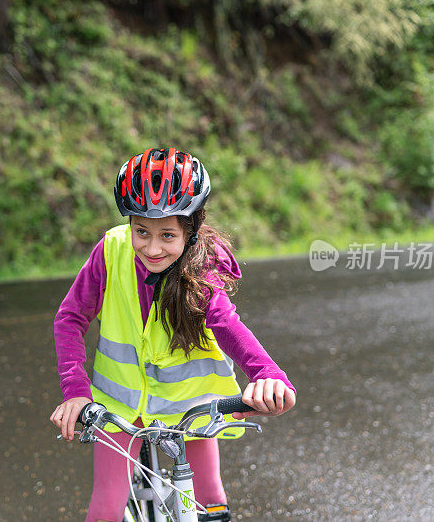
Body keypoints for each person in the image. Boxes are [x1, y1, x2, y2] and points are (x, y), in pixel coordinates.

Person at [50, 147, 296, 522]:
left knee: (209, 500)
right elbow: (70, 318)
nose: (152, 247)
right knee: (105, 508)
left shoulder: (202, 266)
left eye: (167, 234)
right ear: (129, 225)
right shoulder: (111, 251)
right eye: (141, 232)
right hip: (120, 406)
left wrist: (267, 375)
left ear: (191, 229)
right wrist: (76, 394)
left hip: (191, 405)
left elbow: (226, 323)